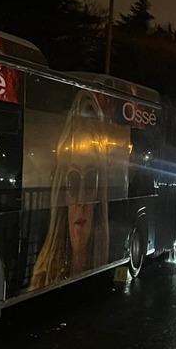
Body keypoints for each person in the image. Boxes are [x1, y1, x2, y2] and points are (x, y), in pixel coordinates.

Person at [30, 91, 112, 290]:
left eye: (91, 181)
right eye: (73, 181)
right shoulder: (42, 277)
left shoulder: (106, 264)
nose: (81, 200)